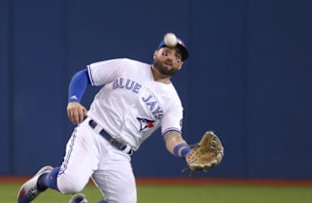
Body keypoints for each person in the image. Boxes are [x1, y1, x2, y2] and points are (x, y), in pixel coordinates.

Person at [17, 33, 192, 203]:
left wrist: (187, 152)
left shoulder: (173, 102)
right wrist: (73, 101)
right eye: (166, 52)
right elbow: (84, 75)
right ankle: (43, 179)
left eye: (177, 56)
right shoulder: (127, 66)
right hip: (92, 134)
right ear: (155, 54)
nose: (170, 57)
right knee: (71, 184)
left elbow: (172, 137)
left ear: (181, 65)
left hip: (120, 154)